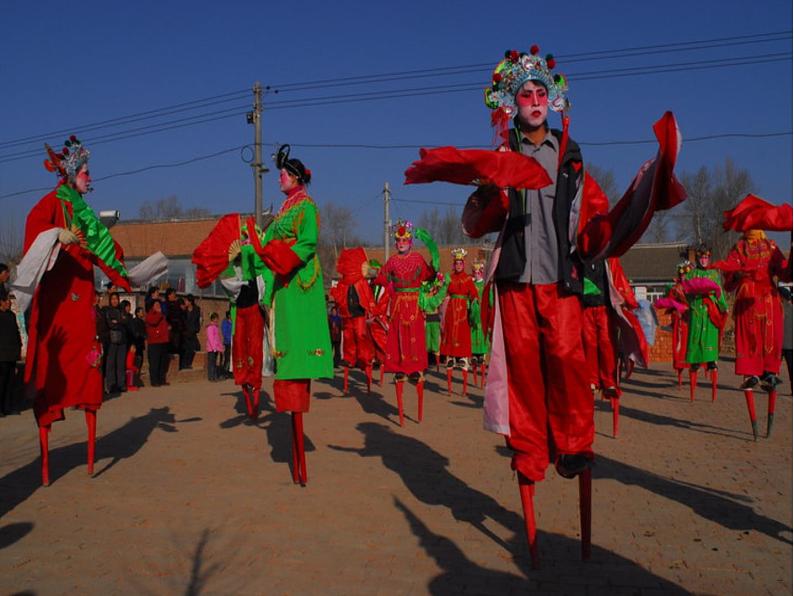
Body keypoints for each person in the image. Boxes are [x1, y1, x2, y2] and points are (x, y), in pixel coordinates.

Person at [458, 45, 685, 563]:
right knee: (524, 374)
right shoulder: (500, 160)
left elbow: (596, 215)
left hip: (561, 281)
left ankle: (574, 448)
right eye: (525, 94)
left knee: (566, 360)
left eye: (541, 93)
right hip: (517, 282)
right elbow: (473, 224)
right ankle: (531, 453)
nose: (534, 101)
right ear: (511, 104)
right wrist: (489, 190)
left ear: (553, 101)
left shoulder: (572, 158)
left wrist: (636, 196)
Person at [19, 135, 130, 485]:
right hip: (56, 307)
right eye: (85, 171)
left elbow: (107, 250)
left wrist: (127, 273)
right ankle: (46, 463)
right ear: (69, 173)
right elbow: (33, 236)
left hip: (81, 305)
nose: (89, 177)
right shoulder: (50, 204)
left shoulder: (84, 214)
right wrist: (55, 235)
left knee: (87, 370)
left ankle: (91, 458)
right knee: (53, 377)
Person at [248, 144, 333, 485]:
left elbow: (308, 242)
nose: (279, 177)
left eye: (283, 173)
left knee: (297, 349)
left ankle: (300, 456)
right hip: (283, 285)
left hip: (299, 282)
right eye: (280, 173)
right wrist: (261, 261)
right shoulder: (283, 211)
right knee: (284, 352)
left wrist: (280, 258)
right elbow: (267, 248)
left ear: (296, 178)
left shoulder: (306, 208)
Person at [716, 229, 791, 438]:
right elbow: (729, 284)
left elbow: (786, 273)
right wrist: (738, 274)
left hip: (768, 304)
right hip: (748, 304)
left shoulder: (771, 247)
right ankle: (754, 381)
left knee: (769, 349)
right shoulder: (738, 249)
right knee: (749, 349)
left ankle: (769, 375)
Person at [374, 220, 437, 426]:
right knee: (400, 344)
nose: (401, 242)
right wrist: (387, 286)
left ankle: (416, 371)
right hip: (399, 306)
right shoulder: (391, 262)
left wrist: (430, 245)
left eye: (405, 239)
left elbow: (431, 273)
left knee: (416, 342)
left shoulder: (418, 259)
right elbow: (381, 278)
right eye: (398, 239)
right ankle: (401, 370)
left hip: (415, 307)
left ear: (410, 241)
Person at [683, 245, 727, 402]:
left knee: (710, 352)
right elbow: (685, 294)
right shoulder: (691, 274)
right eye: (701, 257)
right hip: (696, 312)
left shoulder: (714, 274)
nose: (704, 260)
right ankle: (692, 392)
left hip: (709, 314)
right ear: (697, 258)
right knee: (695, 349)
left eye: (706, 257)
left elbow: (719, 293)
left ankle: (711, 365)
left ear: (709, 258)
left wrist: (723, 307)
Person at [329, 247, 377, 393]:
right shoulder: (344, 283)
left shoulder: (361, 282)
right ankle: (350, 359)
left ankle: (364, 358)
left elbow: (368, 297)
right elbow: (338, 297)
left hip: (359, 315)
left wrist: (372, 309)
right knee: (348, 337)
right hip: (347, 316)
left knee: (360, 335)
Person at [440, 248, 479, 395]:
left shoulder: (468, 279)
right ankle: (449, 388)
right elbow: (444, 293)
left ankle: (464, 389)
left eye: (460, 263)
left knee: (463, 354)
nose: (458, 265)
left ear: (463, 264)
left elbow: (474, 294)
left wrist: (474, 302)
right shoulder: (449, 277)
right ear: (453, 264)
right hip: (451, 313)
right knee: (449, 354)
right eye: (456, 263)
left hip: (462, 314)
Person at [656, 261, 692, 386]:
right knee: (679, 344)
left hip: (691, 318)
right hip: (680, 319)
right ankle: (680, 373)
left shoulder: (693, 287)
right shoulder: (675, 289)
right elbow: (670, 301)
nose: (683, 276)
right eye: (681, 274)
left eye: (685, 274)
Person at [420, 273, 449, 371]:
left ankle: (437, 365)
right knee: (426, 342)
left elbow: (443, 290)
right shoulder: (423, 296)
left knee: (436, 342)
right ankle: (426, 364)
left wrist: (442, 283)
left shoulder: (436, 296)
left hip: (435, 318)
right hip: (427, 318)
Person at [0, 292, 21, 416]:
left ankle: (8, 406)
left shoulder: (11, 315)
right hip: (1, 355)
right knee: (1, 383)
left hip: (11, 355)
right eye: (6, 300)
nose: (9, 302)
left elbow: (16, 333)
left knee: (10, 383)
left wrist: (18, 352)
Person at [470, 261, 490, 385]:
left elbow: (490, 299)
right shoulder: (471, 284)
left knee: (482, 343)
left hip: (483, 317)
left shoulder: (485, 285)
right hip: (473, 317)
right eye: (475, 272)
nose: (477, 274)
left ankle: (482, 377)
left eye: (479, 272)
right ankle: (475, 379)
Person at [103, 292, 127, 395]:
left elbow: (126, 322)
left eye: (116, 299)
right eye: (112, 299)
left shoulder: (121, 310)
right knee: (111, 364)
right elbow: (111, 325)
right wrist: (120, 322)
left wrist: (119, 322)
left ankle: (120, 384)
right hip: (112, 341)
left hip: (122, 340)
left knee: (121, 364)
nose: (114, 301)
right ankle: (111, 385)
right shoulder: (107, 311)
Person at [145, 300, 170, 387]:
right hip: (154, 342)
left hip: (163, 341)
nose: (158, 306)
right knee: (155, 362)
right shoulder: (150, 315)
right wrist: (159, 314)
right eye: (156, 304)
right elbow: (153, 322)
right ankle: (154, 381)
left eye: (159, 304)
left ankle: (161, 379)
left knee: (162, 362)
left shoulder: (162, 315)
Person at [130, 307, 147, 386]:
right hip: (136, 344)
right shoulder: (135, 321)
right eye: (141, 312)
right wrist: (141, 335)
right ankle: (133, 381)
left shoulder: (142, 322)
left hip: (140, 344)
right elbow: (136, 333)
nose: (142, 313)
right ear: (137, 313)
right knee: (135, 362)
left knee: (139, 362)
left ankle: (136, 379)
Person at [205, 312, 223, 381]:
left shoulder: (216, 327)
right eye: (216, 318)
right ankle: (211, 377)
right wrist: (214, 348)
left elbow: (218, 338)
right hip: (211, 348)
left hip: (215, 348)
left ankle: (214, 376)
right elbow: (211, 339)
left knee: (214, 363)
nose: (217, 320)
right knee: (211, 363)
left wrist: (220, 347)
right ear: (212, 319)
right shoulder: (210, 328)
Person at [781, 286, 792, 390]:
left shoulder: (779, 309)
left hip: (779, 343)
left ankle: (771, 386)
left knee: (772, 368)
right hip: (790, 345)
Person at [221, 310, 233, 379]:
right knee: (227, 358)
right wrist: (230, 339)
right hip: (228, 342)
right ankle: (225, 372)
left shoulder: (233, 322)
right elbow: (225, 333)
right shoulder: (225, 322)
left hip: (233, 342)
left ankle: (231, 372)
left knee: (232, 358)